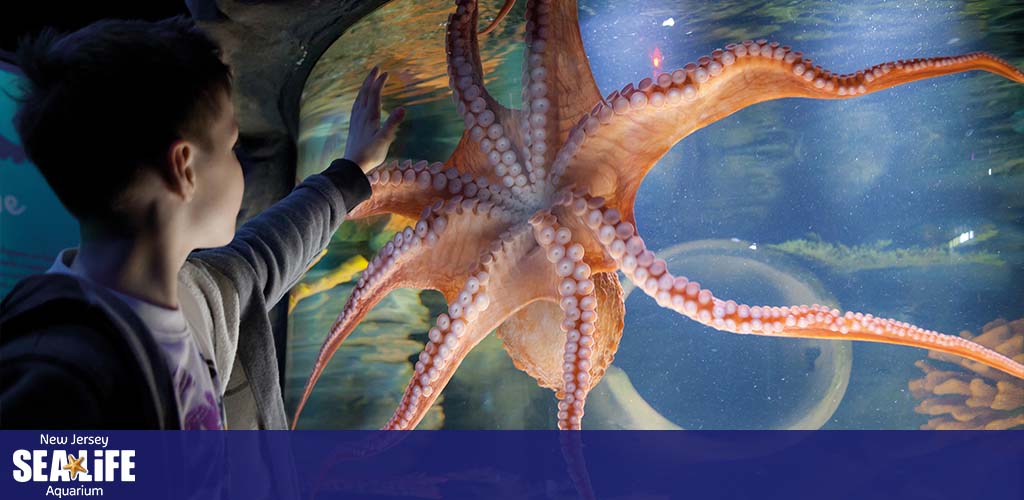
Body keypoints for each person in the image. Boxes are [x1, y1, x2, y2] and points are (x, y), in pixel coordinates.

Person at [0, 16, 404, 429]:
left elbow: (264, 254)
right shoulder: (61, 383)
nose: (239, 166)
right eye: (232, 146)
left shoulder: (198, 296)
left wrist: (353, 170)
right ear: (184, 168)